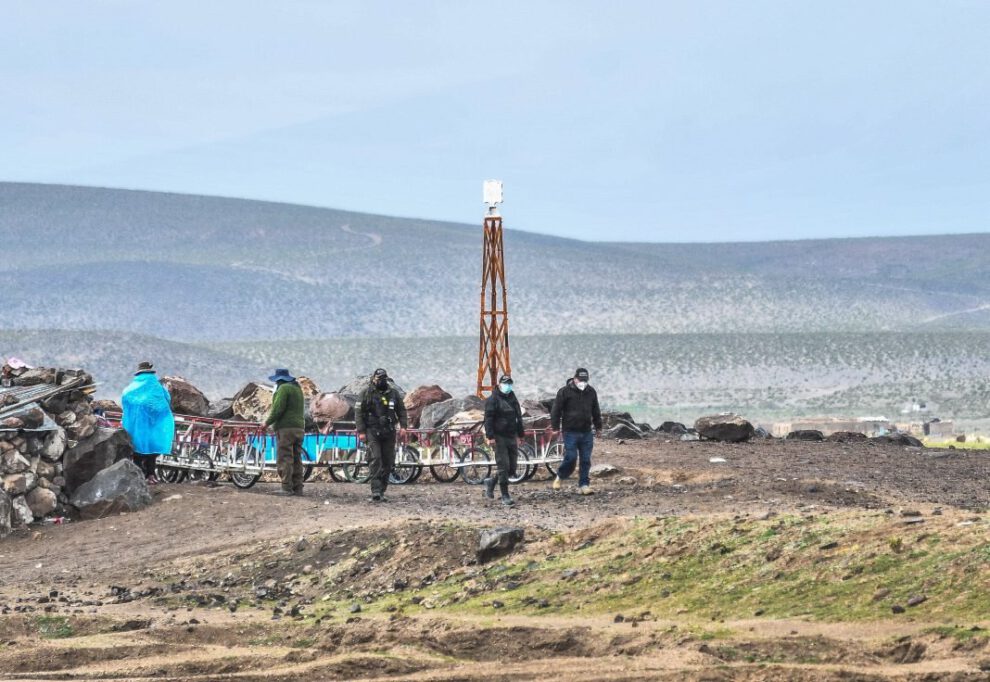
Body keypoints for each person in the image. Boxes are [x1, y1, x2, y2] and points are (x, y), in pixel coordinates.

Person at [354, 368, 407, 502]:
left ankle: (382, 490)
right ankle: (376, 491)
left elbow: (401, 411)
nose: (381, 381)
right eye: (379, 379)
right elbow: (358, 413)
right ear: (373, 379)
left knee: (388, 462)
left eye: (383, 379)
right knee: (376, 459)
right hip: (372, 431)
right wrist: (361, 431)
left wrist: (403, 427)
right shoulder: (366, 393)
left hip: (389, 431)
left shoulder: (393, 394)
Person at [550, 367, 602, 495]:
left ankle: (584, 485)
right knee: (571, 457)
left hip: (586, 431)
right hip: (570, 431)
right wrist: (555, 427)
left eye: (585, 380)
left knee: (585, 460)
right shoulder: (564, 392)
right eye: (580, 380)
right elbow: (556, 410)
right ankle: (560, 476)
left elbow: (596, 410)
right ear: (575, 379)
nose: (582, 383)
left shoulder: (591, 391)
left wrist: (598, 427)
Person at [121, 361, 175, 485]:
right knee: (152, 452)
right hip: (153, 427)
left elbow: (125, 399)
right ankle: (151, 475)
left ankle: (139, 477)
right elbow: (166, 400)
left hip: (136, 427)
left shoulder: (131, 388)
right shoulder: (157, 386)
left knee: (137, 452)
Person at [483, 374, 525, 506]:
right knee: (503, 466)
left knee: (512, 468)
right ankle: (505, 495)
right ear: (500, 384)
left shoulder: (513, 397)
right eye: (506, 383)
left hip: (511, 435)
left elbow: (518, 417)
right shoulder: (493, 399)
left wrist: (520, 434)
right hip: (498, 436)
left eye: (510, 383)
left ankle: (491, 482)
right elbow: (488, 419)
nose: (508, 386)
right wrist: (490, 436)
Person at [264, 368, 306, 496]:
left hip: (286, 429)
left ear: (279, 380)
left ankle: (286, 487)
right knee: (297, 458)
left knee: (285, 457)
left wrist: (266, 423)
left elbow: (278, 409)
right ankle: (298, 488)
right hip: (299, 428)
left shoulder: (283, 389)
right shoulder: (297, 389)